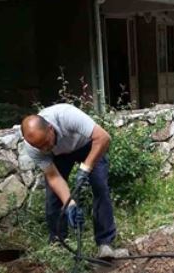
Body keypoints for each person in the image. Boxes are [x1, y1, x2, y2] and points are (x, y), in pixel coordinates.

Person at [21, 104, 124, 259]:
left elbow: (103, 137)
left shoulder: (66, 116)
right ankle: (59, 245)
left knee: (99, 186)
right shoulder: (33, 147)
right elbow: (53, 177)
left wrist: (86, 167)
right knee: (53, 198)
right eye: (39, 146)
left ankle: (105, 243)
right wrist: (70, 204)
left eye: (45, 142)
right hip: (60, 155)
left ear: (50, 128)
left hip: (88, 145)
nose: (44, 149)